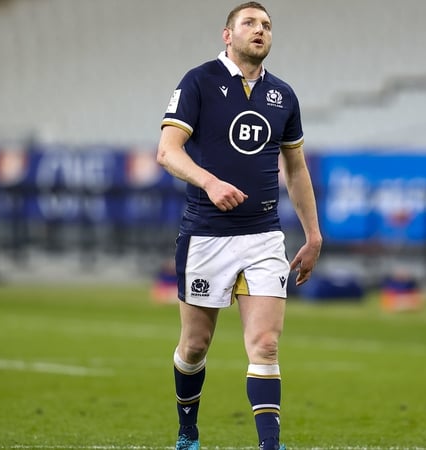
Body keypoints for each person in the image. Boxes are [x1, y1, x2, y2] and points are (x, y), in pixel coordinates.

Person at [156, 3, 322, 449]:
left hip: (264, 235)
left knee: (265, 344)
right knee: (195, 345)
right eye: (249, 23)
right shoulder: (198, 82)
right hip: (206, 235)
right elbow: (167, 151)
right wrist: (210, 183)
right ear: (227, 35)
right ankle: (188, 431)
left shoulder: (283, 95)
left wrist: (313, 234)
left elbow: (296, 169)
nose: (260, 30)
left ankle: (270, 445)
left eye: (266, 25)